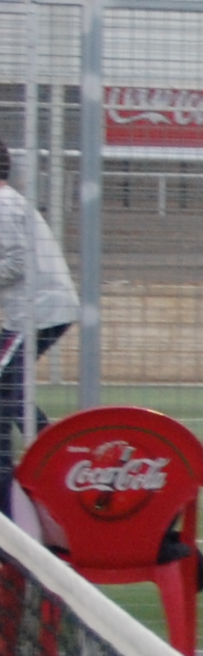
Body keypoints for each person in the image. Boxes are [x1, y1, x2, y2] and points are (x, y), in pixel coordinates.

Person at [0, 145, 78, 480]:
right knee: (10, 389)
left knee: (6, 389)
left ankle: (48, 460)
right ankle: (53, 456)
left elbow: (16, 263)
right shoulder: (9, 202)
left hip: (37, 310)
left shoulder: (3, 205)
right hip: (38, 308)